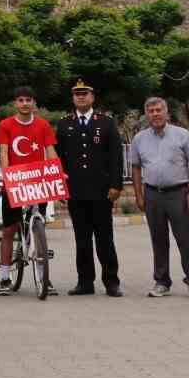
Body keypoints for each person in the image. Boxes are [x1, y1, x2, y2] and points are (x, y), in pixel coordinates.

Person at [128, 96, 189, 298]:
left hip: (179, 193)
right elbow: (135, 168)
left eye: (158, 110)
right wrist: (139, 195)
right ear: (147, 115)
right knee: (158, 240)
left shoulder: (182, 135)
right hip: (153, 194)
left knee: (185, 240)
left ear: (166, 112)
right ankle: (162, 282)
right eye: (151, 111)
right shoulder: (139, 139)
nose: (155, 114)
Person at [54, 77, 124, 296]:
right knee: (81, 239)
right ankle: (85, 282)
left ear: (92, 97)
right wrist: (61, 187)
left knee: (105, 239)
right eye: (77, 94)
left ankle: (111, 282)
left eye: (85, 93)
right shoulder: (65, 123)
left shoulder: (106, 122)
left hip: (101, 191)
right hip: (76, 191)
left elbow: (116, 156)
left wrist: (116, 185)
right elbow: (60, 159)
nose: (81, 97)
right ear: (73, 98)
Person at [0, 86, 59, 295]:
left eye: (28, 100)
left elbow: (50, 151)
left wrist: (57, 172)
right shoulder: (5, 125)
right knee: (8, 230)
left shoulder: (43, 125)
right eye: (21, 100)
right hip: (14, 181)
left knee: (39, 229)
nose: (25, 103)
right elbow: (4, 153)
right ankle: (5, 277)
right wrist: (7, 177)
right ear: (15, 103)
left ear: (34, 103)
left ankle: (43, 277)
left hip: (37, 180)